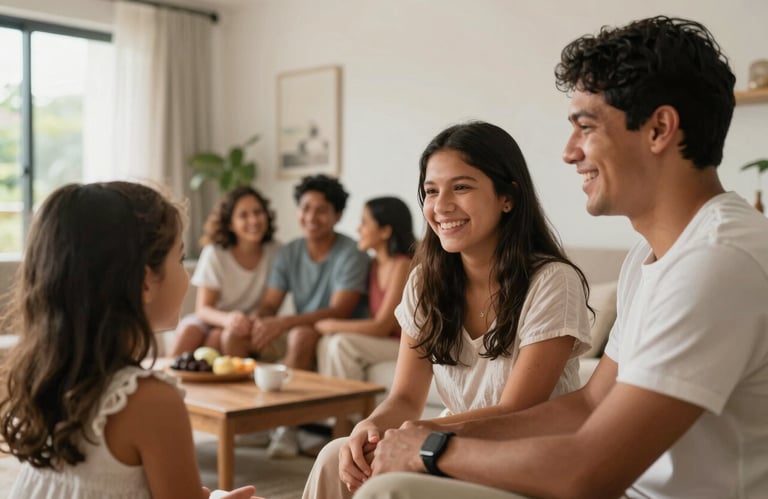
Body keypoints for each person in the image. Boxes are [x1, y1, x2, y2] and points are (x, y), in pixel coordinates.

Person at [352, 16, 768, 499]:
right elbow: (589, 403)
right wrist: (422, 435)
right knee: (366, 466)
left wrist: (431, 450)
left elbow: (588, 473)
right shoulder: (649, 258)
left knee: (392, 491)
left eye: (585, 127)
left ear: (659, 129)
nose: (569, 152)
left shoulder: (717, 262)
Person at [302, 121, 593, 499]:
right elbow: (405, 397)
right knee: (334, 455)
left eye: (462, 187)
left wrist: (415, 436)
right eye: (431, 191)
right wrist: (369, 429)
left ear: (508, 197)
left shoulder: (552, 281)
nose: (441, 206)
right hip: (449, 442)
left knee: (389, 486)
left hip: (524, 456)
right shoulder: (425, 281)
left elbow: (517, 410)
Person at [0, 182, 260, 499]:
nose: (186, 275)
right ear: (146, 281)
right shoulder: (151, 401)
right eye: (179, 259)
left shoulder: (48, 376)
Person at [235, 174, 370, 458]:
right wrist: (258, 320)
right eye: (306, 208)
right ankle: (246, 422)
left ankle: (287, 428)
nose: (311, 217)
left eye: (321, 210)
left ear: (337, 215)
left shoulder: (351, 252)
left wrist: (283, 322)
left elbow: (340, 310)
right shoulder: (290, 251)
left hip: (335, 330)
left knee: (299, 334)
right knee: (236, 334)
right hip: (301, 326)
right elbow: (271, 303)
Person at [315, 196, 416, 382]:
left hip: (405, 344)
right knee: (326, 343)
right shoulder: (373, 265)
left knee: (341, 344)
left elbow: (382, 327)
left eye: (364, 222)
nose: (358, 229)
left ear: (385, 231)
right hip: (385, 342)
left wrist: (331, 325)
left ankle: (350, 410)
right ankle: (332, 410)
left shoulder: (402, 266)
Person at [171, 186, 280, 357]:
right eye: (243, 215)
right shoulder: (215, 253)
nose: (253, 220)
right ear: (230, 224)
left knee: (217, 338)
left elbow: (270, 305)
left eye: (258, 212)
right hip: (214, 318)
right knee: (189, 332)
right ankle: (165, 378)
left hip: (248, 322)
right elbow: (203, 309)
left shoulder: (276, 252)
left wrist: (247, 321)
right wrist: (227, 320)